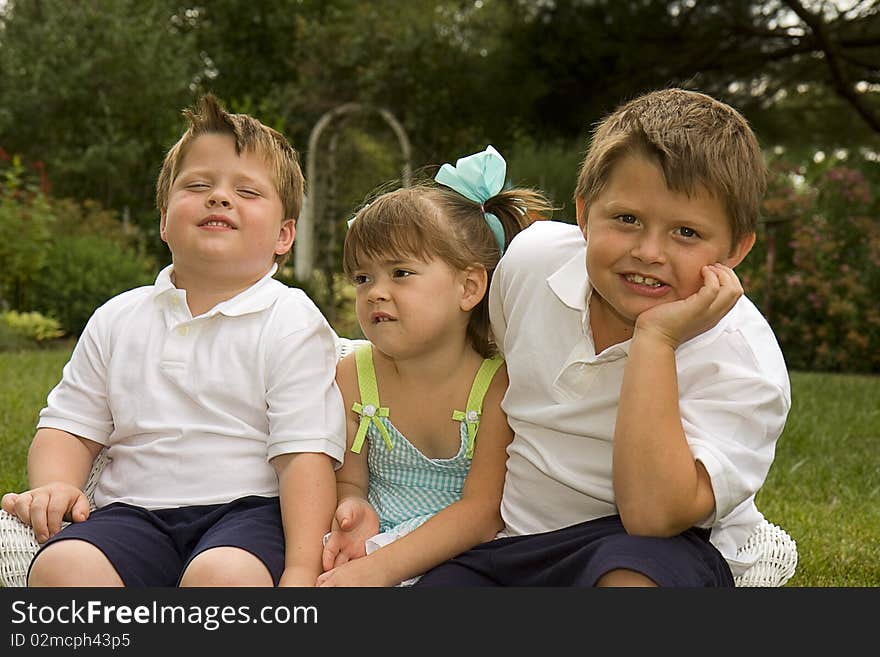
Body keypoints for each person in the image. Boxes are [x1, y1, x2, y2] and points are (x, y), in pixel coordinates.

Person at [415, 88, 792, 587]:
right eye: (627, 219)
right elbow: (495, 373)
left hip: (653, 546)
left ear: (736, 248)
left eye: (686, 233)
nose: (649, 251)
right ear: (584, 213)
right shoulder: (531, 263)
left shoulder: (743, 361)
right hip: (517, 539)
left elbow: (654, 515)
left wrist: (657, 341)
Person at [0, 94, 346, 587]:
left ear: (284, 235)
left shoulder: (289, 318)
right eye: (199, 184)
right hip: (131, 513)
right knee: (62, 567)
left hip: (248, 514)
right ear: (164, 220)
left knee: (223, 576)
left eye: (247, 192)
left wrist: (300, 570)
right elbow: (70, 427)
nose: (219, 197)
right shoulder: (119, 317)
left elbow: (304, 457)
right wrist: (55, 484)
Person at [316, 146, 554, 587]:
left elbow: (481, 513)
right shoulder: (354, 375)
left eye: (400, 273)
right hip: (374, 542)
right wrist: (353, 507)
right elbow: (350, 479)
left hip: (460, 558)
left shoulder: (495, 387)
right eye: (363, 278)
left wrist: (378, 569)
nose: (375, 292)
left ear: (468, 287)